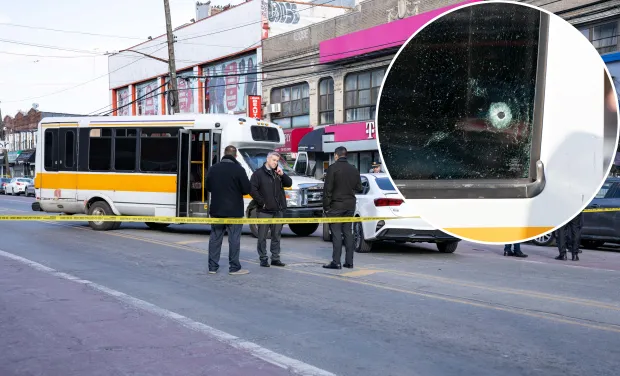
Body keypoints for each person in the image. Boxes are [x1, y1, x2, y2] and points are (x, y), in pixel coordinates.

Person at [205, 145, 251, 275]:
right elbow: (246, 189)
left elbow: (208, 187)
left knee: (215, 238)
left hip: (217, 210)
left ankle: (212, 267)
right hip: (234, 211)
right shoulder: (239, 169)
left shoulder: (213, 169)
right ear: (235, 156)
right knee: (234, 239)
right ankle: (234, 267)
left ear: (223, 154)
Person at [249, 151, 292, 267]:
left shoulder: (278, 173)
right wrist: (262, 203)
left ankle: (275, 258)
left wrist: (283, 174)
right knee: (262, 236)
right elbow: (252, 190)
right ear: (268, 159)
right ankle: (263, 258)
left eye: (277, 161)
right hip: (264, 211)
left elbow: (289, 183)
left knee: (276, 235)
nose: (275, 163)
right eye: (274, 160)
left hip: (278, 210)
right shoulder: (258, 174)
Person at [323, 146, 363, 269]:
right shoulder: (354, 169)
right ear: (346, 155)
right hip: (350, 205)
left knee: (336, 234)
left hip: (336, 205)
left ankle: (336, 262)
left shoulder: (333, 168)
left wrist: (326, 207)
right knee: (348, 233)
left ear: (336, 155)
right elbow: (359, 188)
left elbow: (328, 189)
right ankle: (349, 262)